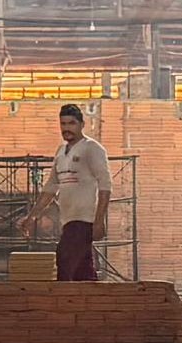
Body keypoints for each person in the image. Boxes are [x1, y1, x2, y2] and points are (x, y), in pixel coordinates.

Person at [27, 103, 112, 282]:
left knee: (65, 260)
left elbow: (105, 185)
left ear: (82, 124)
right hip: (67, 220)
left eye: (71, 123)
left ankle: (63, 303)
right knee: (82, 270)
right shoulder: (60, 152)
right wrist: (32, 217)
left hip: (84, 219)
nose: (67, 128)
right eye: (63, 124)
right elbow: (51, 187)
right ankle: (91, 304)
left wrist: (99, 221)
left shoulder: (92, 148)